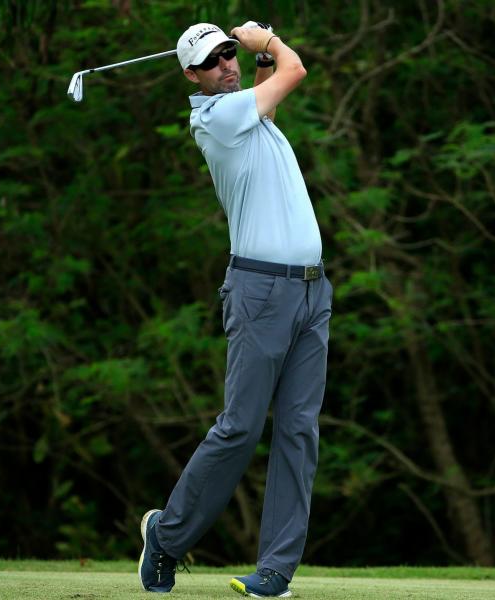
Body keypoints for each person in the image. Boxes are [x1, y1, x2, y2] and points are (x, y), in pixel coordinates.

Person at [137, 21, 332, 598]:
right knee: (241, 427)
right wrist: (264, 42)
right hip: (260, 292)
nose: (228, 63)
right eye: (214, 59)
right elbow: (294, 70)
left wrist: (259, 56)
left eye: (230, 53)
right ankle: (167, 538)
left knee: (299, 430)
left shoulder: (250, 117)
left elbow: (269, 101)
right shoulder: (215, 118)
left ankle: (275, 571)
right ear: (191, 76)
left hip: (312, 292)